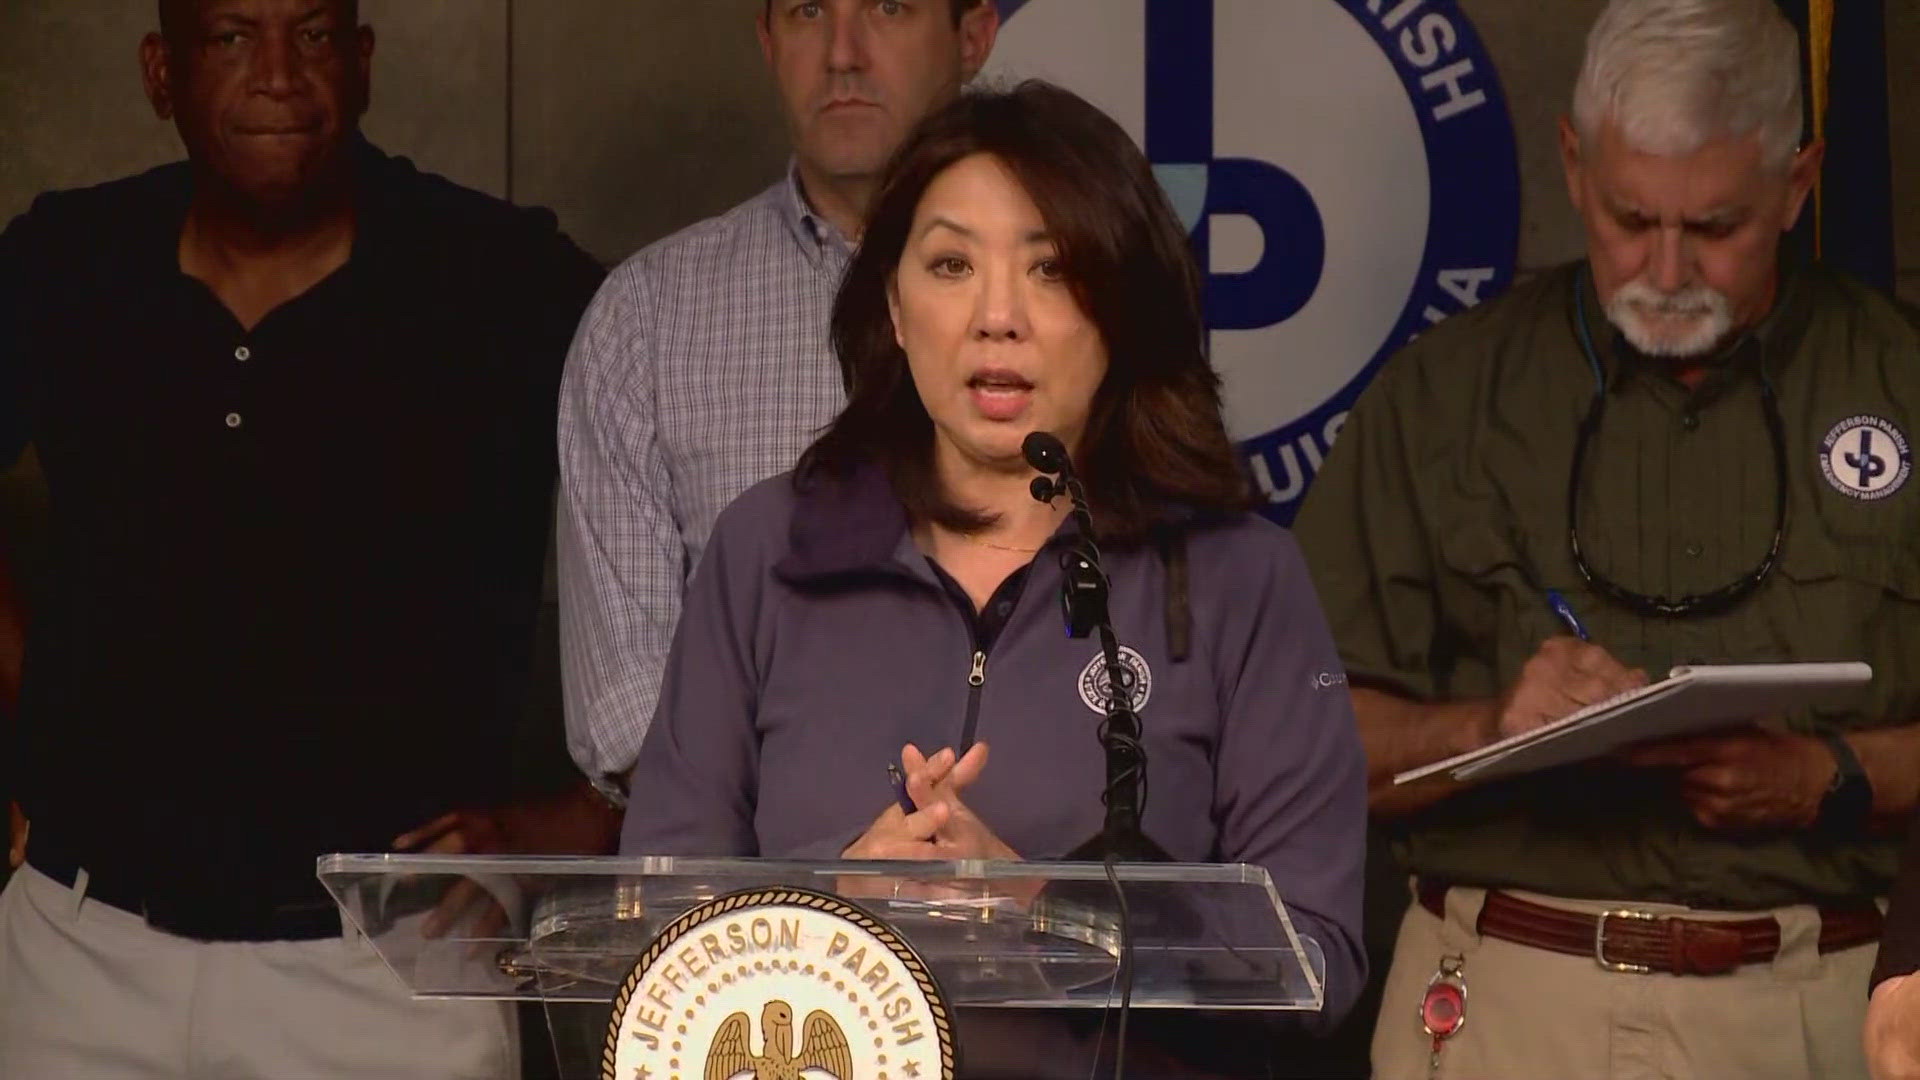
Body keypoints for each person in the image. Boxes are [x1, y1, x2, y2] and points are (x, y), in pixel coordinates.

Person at [619, 80, 1368, 1078]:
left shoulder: (1238, 576)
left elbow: (1316, 962)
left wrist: (1039, 909)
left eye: (1052, 270)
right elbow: (647, 933)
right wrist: (831, 910)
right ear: (892, 302)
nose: (996, 317)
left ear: (1122, 307)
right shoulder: (768, 550)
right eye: (950, 265)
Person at [1292, 0, 1920, 1076]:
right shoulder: (1443, 397)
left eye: (1715, 228)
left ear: (1799, 185)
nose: (1666, 268)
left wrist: (1832, 775)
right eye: (1630, 218)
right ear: (1574, 166)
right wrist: (1489, 724)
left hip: (1822, 1007)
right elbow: (1293, 749)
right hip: (1498, 1003)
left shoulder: (1897, 379)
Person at [0, 1, 608, 1076]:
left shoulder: (499, 276)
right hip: (79, 955)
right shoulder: (69, 260)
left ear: (363, 61)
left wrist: (588, 815)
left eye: (315, 34)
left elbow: (720, 518)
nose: (279, 75)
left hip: (386, 970)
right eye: (231, 37)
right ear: (161, 72)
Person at [557, 0, 999, 809]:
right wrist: (827, 846)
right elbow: (624, 716)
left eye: (889, 9)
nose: (843, 53)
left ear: (972, 36)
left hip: (1018, 872)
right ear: (766, 39)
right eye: (806, 12)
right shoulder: (649, 318)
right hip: (753, 903)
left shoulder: (1073, 303)